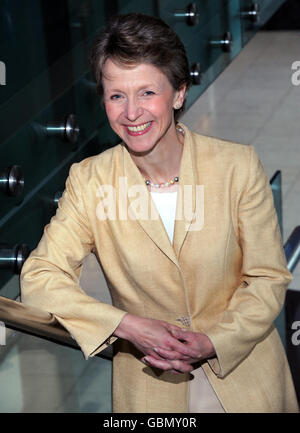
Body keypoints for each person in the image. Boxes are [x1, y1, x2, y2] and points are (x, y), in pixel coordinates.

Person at [20, 13, 299, 413]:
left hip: (245, 381)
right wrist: (127, 326)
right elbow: (39, 277)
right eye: (117, 95)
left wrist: (213, 341)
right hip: (149, 393)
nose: (132, 113)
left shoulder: (236, 166)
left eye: (147, 92)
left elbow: (268, 277)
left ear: (179, 93)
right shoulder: (91, 180)